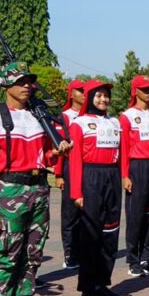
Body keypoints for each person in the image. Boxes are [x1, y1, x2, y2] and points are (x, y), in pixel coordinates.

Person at [0, 62, 72, 296]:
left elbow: (44, 156)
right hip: (9, 190)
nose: (26, 86)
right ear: (6, 86)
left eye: (29, 82)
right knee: (8, 255)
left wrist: (58, 152)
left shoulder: (37, 118)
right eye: (20, 82)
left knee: (32, 255)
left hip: (38, 188)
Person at [67, 80, 123, 296]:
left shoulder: (115, 122)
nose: (103, 99)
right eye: (98, 95)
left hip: (112, 177)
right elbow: (74, 160)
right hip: (91, 177)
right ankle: (88, 287)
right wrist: (76, 192)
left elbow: (122, 153)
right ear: (90, 97)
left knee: (110, 233)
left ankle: (102, 283)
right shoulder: (79, 123)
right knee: (91, 235)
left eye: (106, 95)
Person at [119, 75, 149, 278]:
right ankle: (133, 259)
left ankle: (148, 258)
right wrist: (125, 175)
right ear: (135, 91)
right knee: (136, 215)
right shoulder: (127, 116)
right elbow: (124, 148)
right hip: (137, 167)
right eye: (144, 89)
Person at [57, 79, 86, 269]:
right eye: (79, 90)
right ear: (71, 93)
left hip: (87, 168)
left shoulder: (91, 115)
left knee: (85, 214)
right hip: (69, 167)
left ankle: (82, 251)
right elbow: (59, 145)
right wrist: (59, 173)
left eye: (85, 90)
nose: (83, 93)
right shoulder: (65, 117)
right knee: (70, 214)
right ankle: (69, 254)